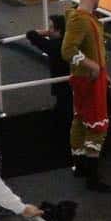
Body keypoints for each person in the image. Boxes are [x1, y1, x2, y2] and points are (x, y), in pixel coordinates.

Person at [63, 0, 111, 192]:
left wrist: (103, 70)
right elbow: (68, 50)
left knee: (81, 120)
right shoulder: (82, 19)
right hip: (89, 80)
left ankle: (81, 165)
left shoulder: (81, 18)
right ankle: (92, 177)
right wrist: (93, 67)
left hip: (90, 78)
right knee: (97, 124)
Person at [26, 13, 74, 149]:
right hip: (69, 83)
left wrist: (44, 32)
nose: (49, 30)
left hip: (63, 84)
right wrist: (49, 32)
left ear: (58, 30)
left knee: (65, 108)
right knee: (65, 105)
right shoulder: (67, 41)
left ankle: (65, 139)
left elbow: (31, 34)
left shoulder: (54, 46)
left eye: (51, 27)